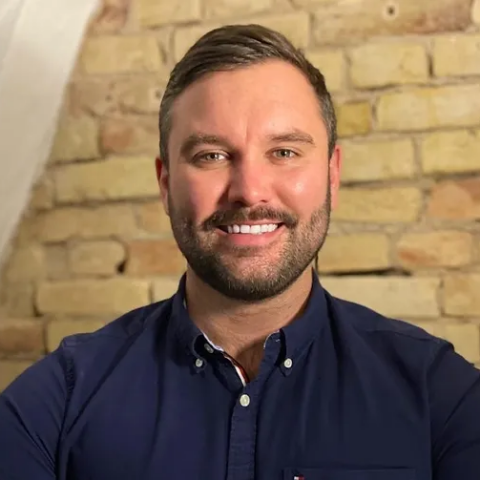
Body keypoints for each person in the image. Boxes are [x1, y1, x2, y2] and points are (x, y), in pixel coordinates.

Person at [0, 24, 479, 480]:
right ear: (166, 184)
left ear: (332, 173)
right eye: (211, 155)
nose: (250, 192)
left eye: (285, 152)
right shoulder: (52, 405)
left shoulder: (442, 398)